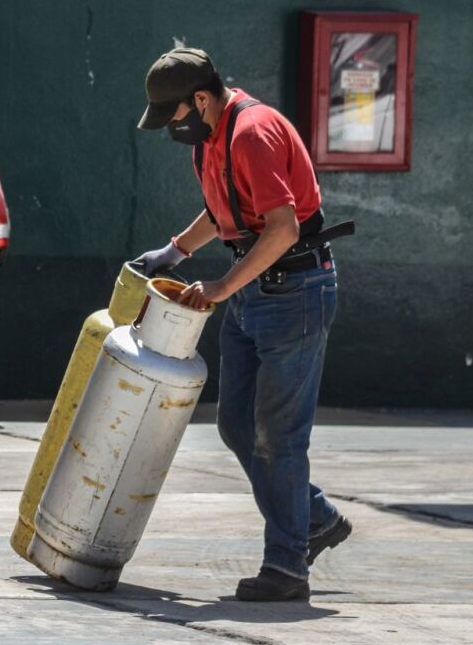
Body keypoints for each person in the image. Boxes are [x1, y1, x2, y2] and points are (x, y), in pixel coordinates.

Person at [132, 47, 353, 602]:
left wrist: (221, 288)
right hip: (254, 291)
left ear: (200, 98)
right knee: (235, 424)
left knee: (280, 437)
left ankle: (286, 568)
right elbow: (223, 210)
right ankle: (317, 517)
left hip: (294, 292)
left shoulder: (251, 133)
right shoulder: (214, 137)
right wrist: (173, 253)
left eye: (174, 115)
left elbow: (281, 227)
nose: (173, 128)